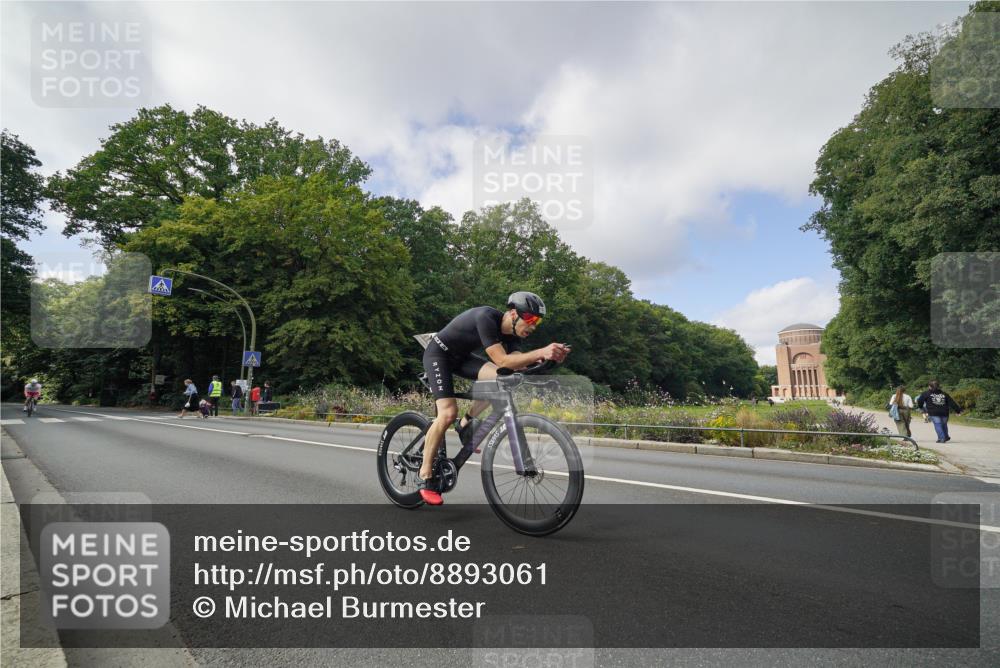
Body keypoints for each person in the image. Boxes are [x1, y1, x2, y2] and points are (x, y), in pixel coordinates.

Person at [418, 291, 570, 506]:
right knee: (447, 413)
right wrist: (540, 352)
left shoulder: (513, 335)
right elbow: (501, 359)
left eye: (538, 322)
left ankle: (466, 423)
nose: (534, 326)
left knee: (502, 379)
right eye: (531, 319)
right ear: (513, 313)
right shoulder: (486, 318)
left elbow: (516, 362)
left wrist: (547, 359)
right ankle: (426, 476)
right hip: (438, 355)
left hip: (462, 358)